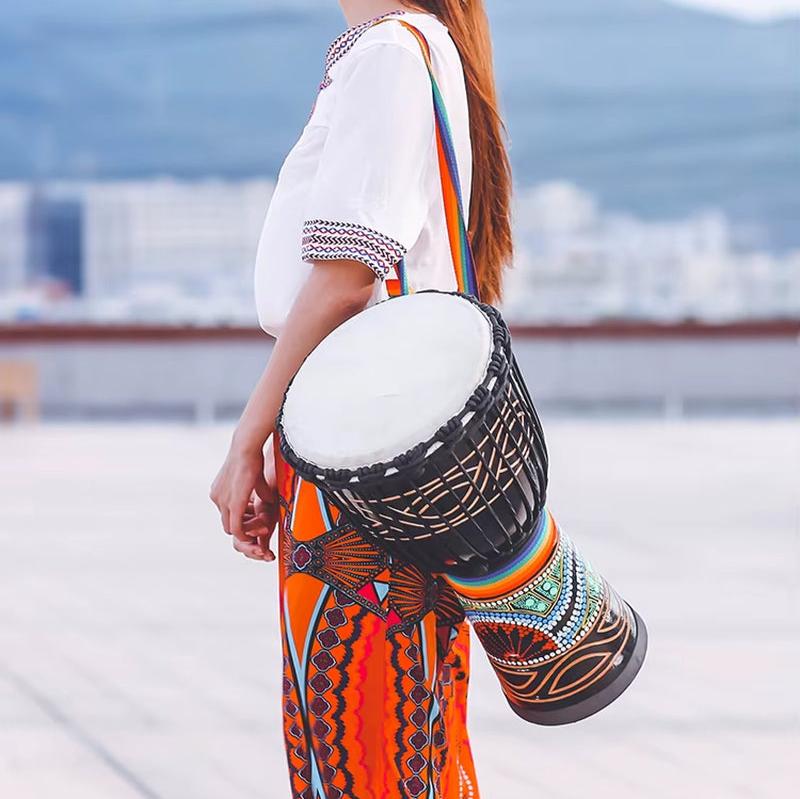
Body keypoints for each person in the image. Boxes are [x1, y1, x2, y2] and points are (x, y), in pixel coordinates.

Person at [210, 2, 512, 796]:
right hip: (382, 449)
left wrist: (250, 432)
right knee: (404, 735)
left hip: (357, 461)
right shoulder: (408, 50)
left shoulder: (389, 54)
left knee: (360, 746)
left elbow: (348, 277)